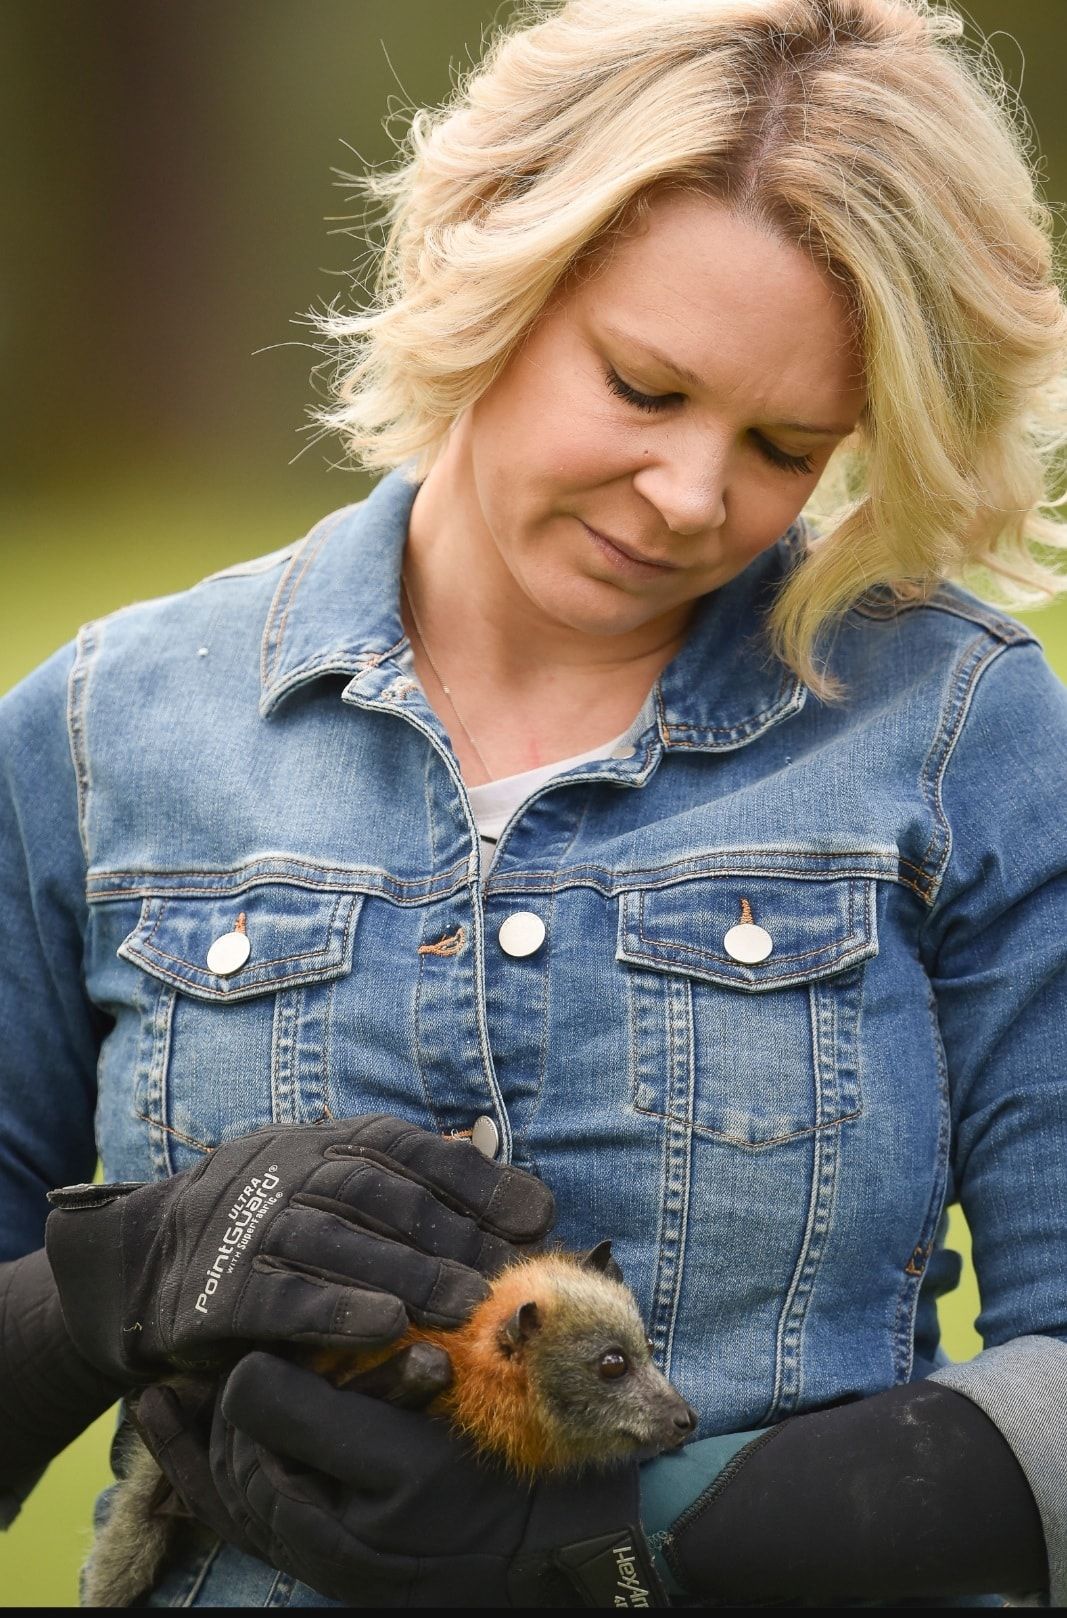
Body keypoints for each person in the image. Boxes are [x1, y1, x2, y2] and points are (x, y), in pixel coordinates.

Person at [2, 0, 1066, 1605]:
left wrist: (627, 1541)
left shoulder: (963, 728)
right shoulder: (100, 731)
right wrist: (120, 1279)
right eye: (643, 387)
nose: (694, 496)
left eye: (787, 445)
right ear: (491, 258)